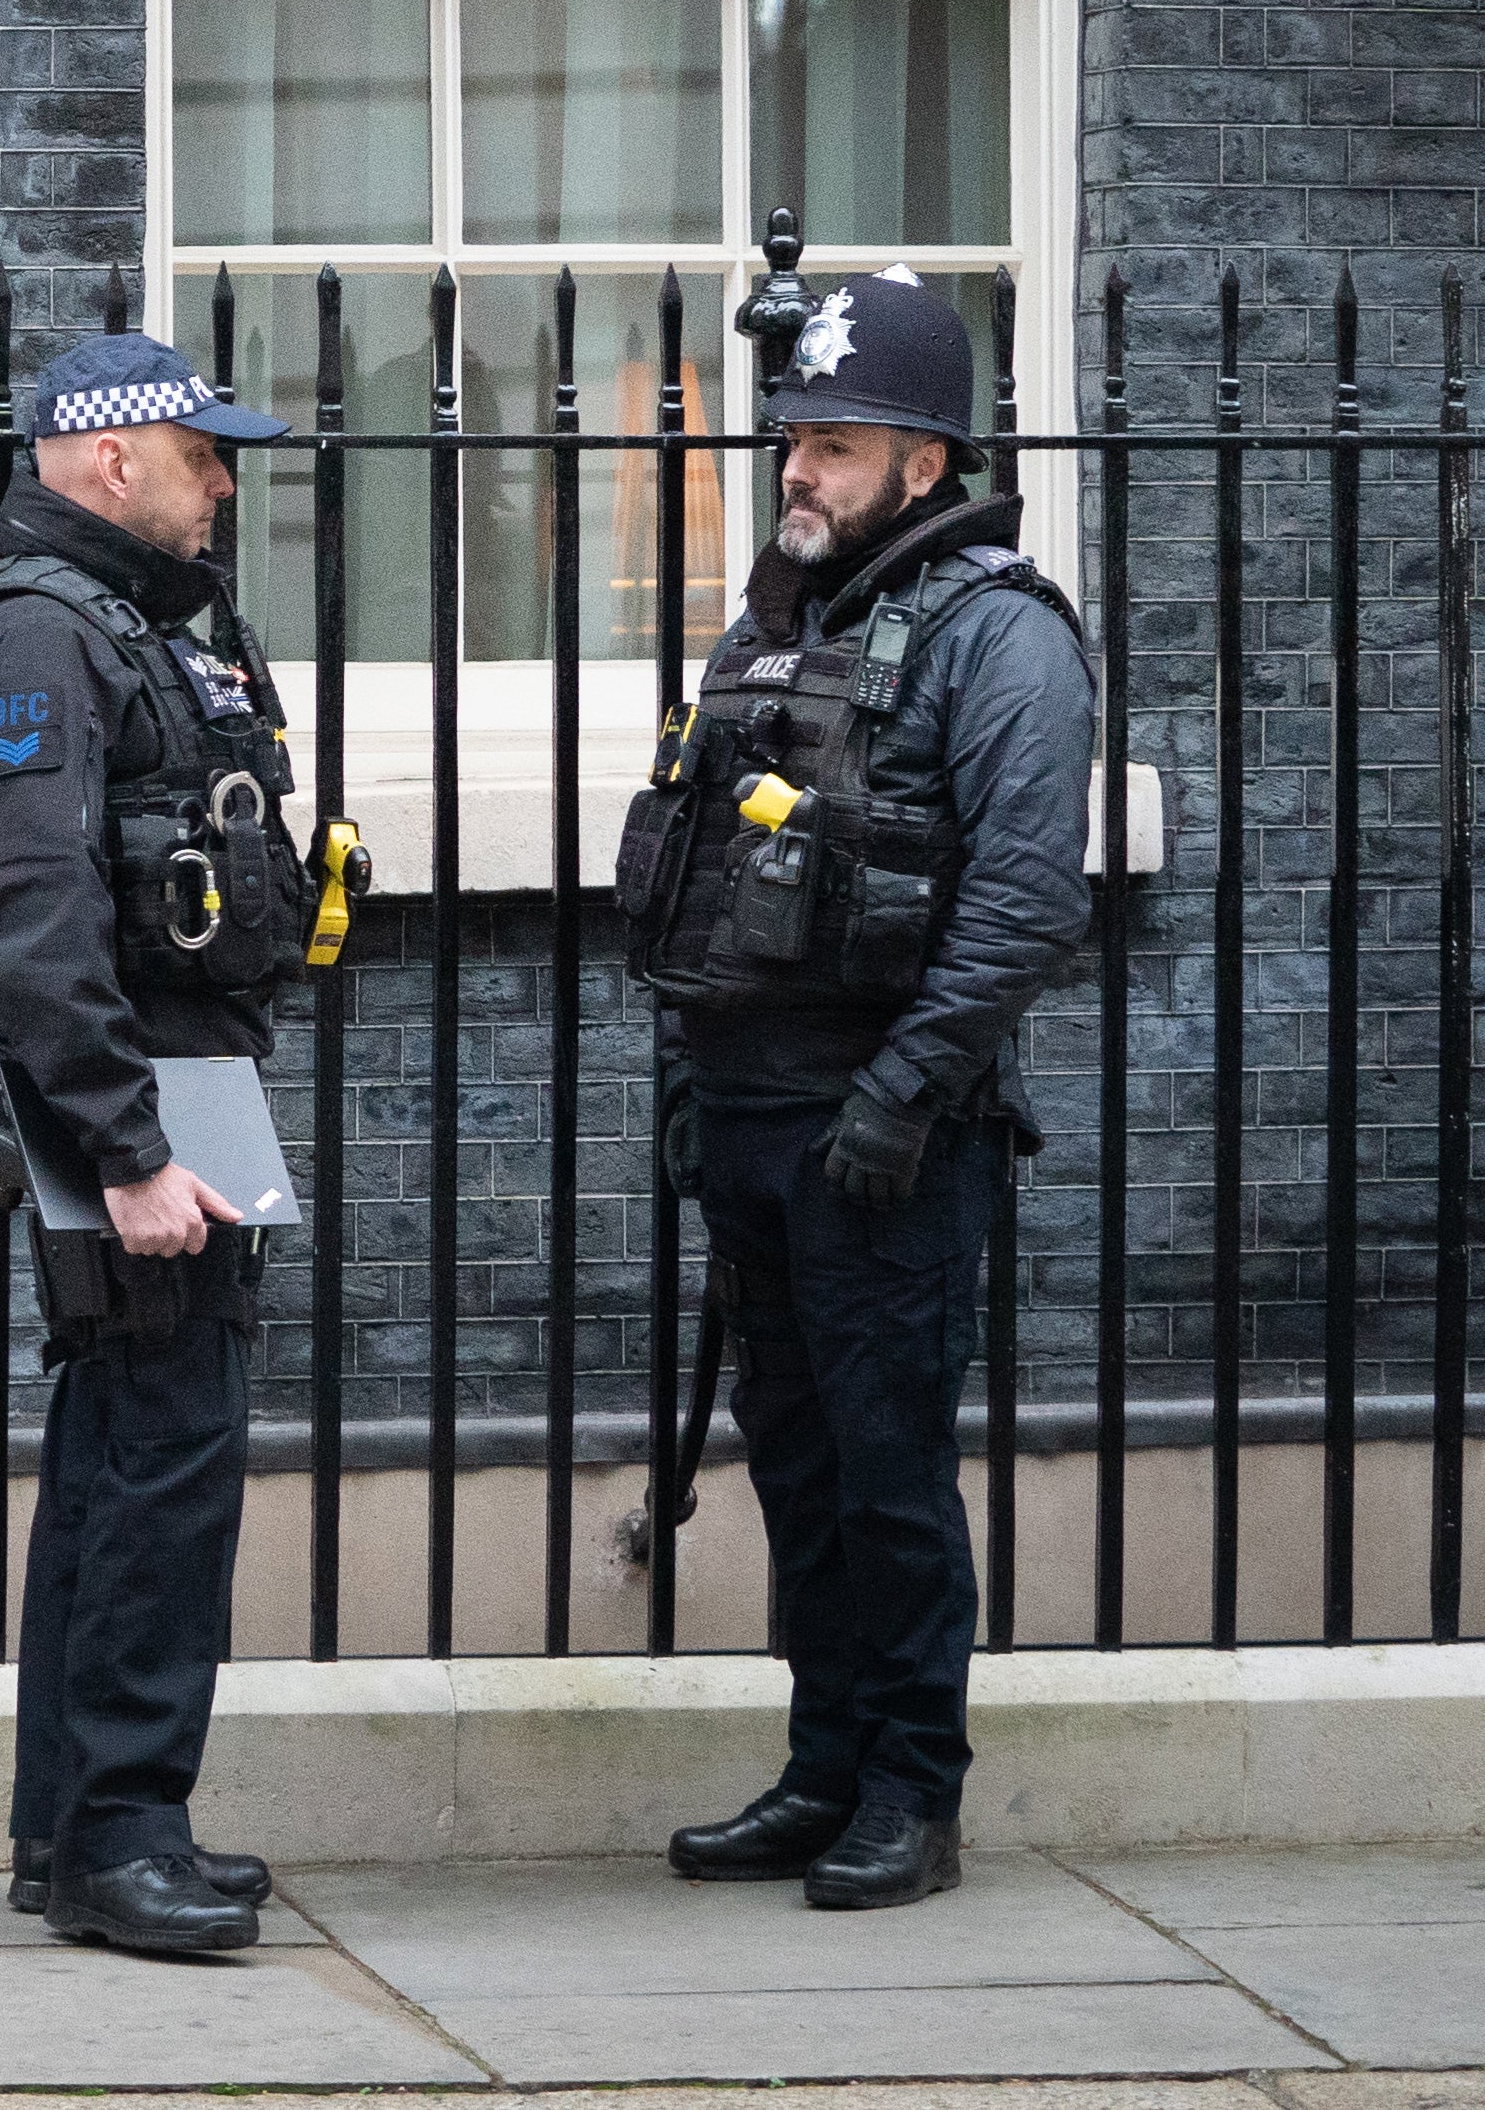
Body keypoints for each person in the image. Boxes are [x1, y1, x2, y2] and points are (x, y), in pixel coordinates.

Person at [621, 269, 1096, 1910]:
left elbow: (1029, 898)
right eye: (793, 442)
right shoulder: (782, 626)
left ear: (925, 453)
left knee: (891, 1473)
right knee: (803, 1466)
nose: (797, 471)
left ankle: (913, 1788)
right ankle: (826, 1770)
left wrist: (900, 1092)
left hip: (881, 1131)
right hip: (751, 1120)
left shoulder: (1005, 635)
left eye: (833, 443)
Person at [0, 329, 330, 1958]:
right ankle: (120, 1834)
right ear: (109, 460)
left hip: (178, 1094)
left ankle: (72, 1827)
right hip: (146, 1117)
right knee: (162, 1474)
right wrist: (129, 1150)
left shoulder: (134, 630)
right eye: (202, 454)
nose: (224, 482)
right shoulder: (33, 637)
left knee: (124, 1464)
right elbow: (29, 919)